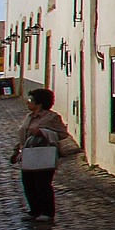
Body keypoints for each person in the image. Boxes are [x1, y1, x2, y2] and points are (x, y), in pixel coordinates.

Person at [9, 87, 72, 222]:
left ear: (40, 103)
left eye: (31, 100)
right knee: (28, 182)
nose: (28, 103)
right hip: (28, 154)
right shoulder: (29, 117)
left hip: (43, 154)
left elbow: (63, 134)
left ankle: (48, 212)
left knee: (42, 183)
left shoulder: (52, 117)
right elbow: (23, 136)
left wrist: (44, 132)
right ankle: (35, 210)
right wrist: (16, 151)